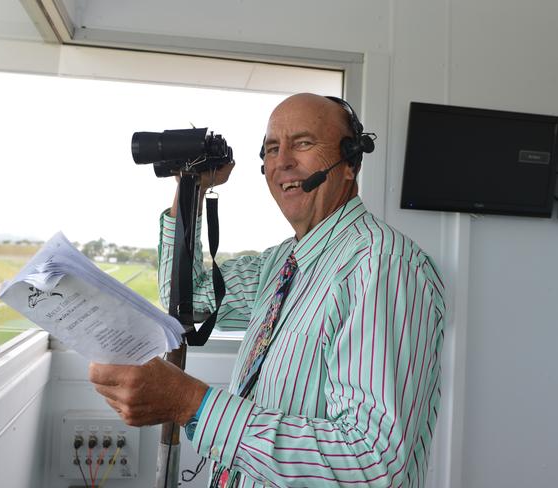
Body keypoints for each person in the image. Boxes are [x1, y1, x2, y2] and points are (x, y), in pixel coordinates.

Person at [89, 93, 446, 487]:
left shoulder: (383, 266)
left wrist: (191, 404)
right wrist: (191, 187)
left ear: (350, 162)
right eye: (272, 149)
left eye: (303, 143)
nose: (283, 162)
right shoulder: (279, 264)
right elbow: (188, 298)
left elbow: (371, 463)